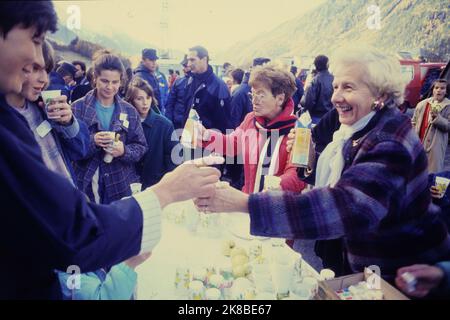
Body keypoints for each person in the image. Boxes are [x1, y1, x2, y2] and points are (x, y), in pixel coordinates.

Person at [0, 1, 221, 299]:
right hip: (87, 200)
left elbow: (138, 147)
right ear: (94, 80)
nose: (36, 64)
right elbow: (74, 231)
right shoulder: (73, 107)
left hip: (114, 194)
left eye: (115, 82)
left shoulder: (121, 111)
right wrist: (165, 192)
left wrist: (117, 149)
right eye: (36, 41)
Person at [195, 47, 450, 282]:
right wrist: (207, 136)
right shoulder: (363, 128)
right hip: (380, 269)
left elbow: (344, 207)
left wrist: (244, 202)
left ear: (379, 93)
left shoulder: (388, 140)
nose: (336, 96)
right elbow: (239, 145)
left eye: (348, 87)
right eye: (336, 85)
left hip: (406, 275)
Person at [198, 64, 306, 194]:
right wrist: (206, 135)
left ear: (280, 99)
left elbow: (298, 175)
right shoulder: (251, 119)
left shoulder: (299, 131)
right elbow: (233, 144)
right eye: (252, 94)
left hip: (277, 207)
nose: (254, 101)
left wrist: (276, 185)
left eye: (260, 95)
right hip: (248, 201)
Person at [72, 50, 147, 204]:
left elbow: (141, 146)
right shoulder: (77, 108)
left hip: (120, 183)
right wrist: (92, 141)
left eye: (115, 82)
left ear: (121, 81)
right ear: (95, 78)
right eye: (105, 81)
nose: (110, 87)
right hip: (86, 184)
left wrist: (124, 151)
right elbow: (69, 149)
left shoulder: (129, 111)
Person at [125, 77, 179, 189]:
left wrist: (167, 182)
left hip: (156, 184)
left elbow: (174, 157)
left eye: (148, 98)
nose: (145, 103)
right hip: (129, 183)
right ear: (130, 100)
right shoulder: (124, 123)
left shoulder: (165, 125)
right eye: (139, 98)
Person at [184, 45, 232, 133]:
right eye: (188, 60)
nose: (188, 64)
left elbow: (225, 123)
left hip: (209, 142)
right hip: (190, 138)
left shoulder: (219, 86)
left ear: (204, 59)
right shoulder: (189, 81)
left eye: (192, 60)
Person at [412, 79, 450, 173]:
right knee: (417, 172)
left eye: (442, 88)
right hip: (419, 143)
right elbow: (414, 122)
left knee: (432, 173)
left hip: (436, 147)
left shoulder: (448, 106)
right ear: (432, 89)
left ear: (446, 91)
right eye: (436, 88)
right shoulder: (422, 104)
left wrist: (438, 118)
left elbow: (448, 126)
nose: (439, 90)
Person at [300, 55, 334, 124]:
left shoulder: (315, 80)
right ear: (327, 65)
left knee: (316, 134)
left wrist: (306, 111)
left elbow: (309, 101)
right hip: (330, 116)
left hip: (316, 117)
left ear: (315, 65)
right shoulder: (334, 79)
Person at [165, 55, 191, 129]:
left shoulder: (201, 84)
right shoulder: (178, 82)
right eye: (183, 66)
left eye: (186, 66)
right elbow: (170, 103)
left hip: (192, 125)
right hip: (177, 123)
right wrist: (169, 121)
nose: (183, 69)